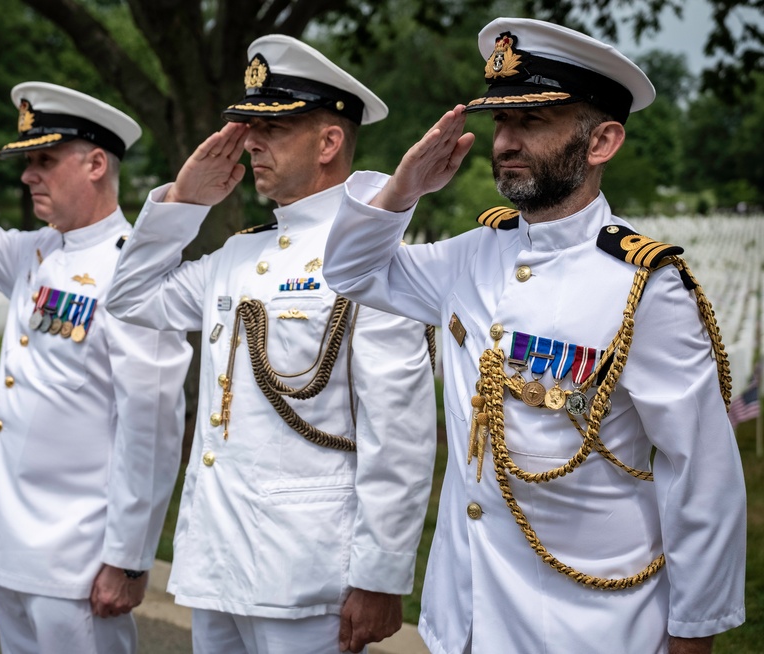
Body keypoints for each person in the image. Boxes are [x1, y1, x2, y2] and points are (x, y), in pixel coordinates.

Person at [322, 17, 746, 654]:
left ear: (602, 141)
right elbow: (351, 271)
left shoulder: (644, 287)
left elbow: (703, 472)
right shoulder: (473, 255)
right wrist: (405, 185)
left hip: (591, 627)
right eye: (500, 123)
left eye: (534, 121)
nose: (506, 142)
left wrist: (695, 631)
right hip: (462, 617)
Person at [106, 35, 437, 654]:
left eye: (273, 128)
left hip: (307, 574)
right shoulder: (239, 254)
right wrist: (182, 203)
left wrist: (380, 576)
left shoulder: (371, 257)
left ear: (329, 141)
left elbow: (401, 431)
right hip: (217, 564)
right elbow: (130, 299)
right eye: (250, 127)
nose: (252, 142)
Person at [0, 82, 191, 654]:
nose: (27, 176)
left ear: (96, 163)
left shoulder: (133, 272)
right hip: (9, 545)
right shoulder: (36, 252)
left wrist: (128, 558)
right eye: (27, 163)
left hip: (78, 557)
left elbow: (152, 426)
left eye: (44, 160)